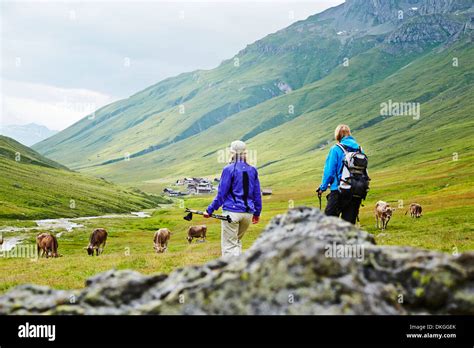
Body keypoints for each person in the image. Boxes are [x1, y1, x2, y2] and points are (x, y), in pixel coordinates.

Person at [204, 140, 262, 257]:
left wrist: (209, 210)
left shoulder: (228, 169)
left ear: (232, 153)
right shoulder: (252, 170)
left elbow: (221, 194)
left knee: (229, 246)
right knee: (237, 242)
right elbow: (257, 194)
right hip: (247, 214)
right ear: (245, 153)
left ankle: (231, 272)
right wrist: (257, 213)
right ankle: (240, 270)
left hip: (232, 212)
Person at [316, 124, 365, 224]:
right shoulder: (360, 149)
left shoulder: (336, 149)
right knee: (348, 226)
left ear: (338, 135)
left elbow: (329, 172)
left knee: (329, 223)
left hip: (338, 191)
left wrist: (322, 187)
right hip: (356, 192)